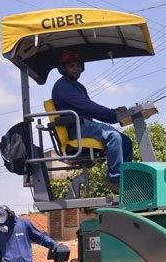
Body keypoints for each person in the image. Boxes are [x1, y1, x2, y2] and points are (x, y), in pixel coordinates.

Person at [51, 50, 133, 190]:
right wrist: (112, 114)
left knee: (125, 140)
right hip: (75, 127)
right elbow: (88, 107)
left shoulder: (79, 87)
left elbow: (91, 110)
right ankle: (115, 179)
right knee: (113, 136)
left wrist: (114, 114)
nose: (76, 68)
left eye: (78, 65)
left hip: (86, 125)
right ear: (63, 68)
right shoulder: (62, 87)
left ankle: (126, 179)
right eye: (71, 66)